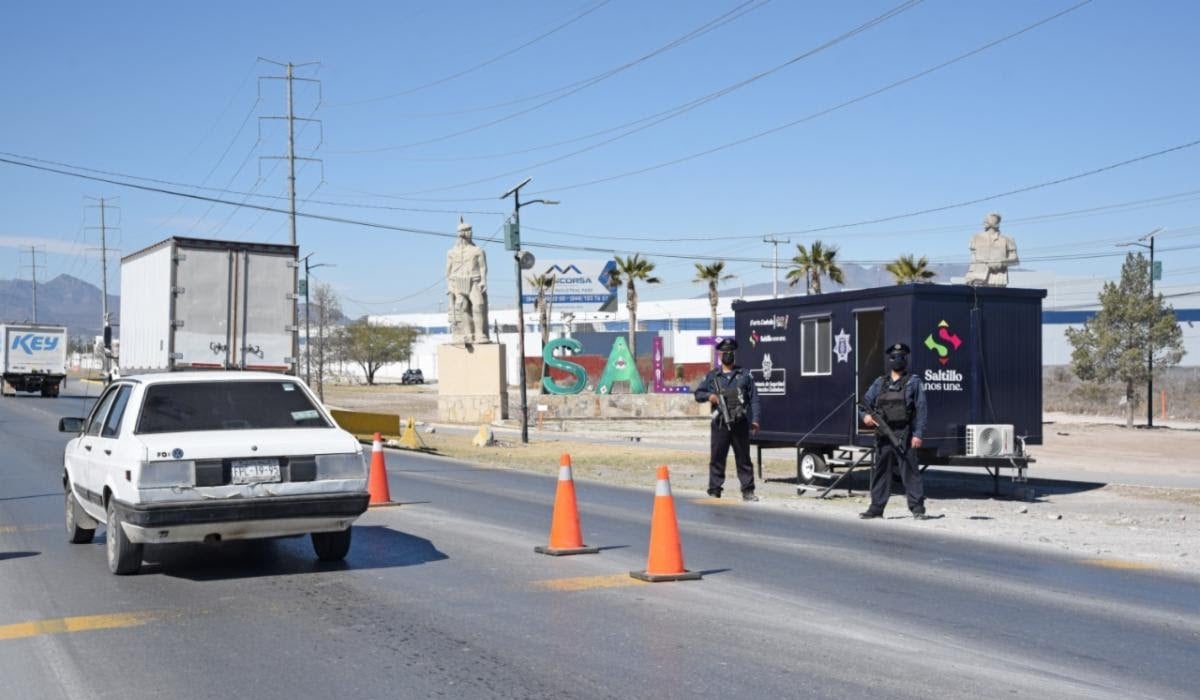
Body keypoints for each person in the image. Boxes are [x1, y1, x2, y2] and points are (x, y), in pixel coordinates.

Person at [859, 342, 929, 520]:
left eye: (901, 357)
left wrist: (918, 434)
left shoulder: (914, 382)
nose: (898, 360)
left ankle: (917, 508)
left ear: (905, 359)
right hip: (883, 435)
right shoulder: (880, 383)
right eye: (895, 357)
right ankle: (876, 508)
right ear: (890, 360)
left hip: (904, 434)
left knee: (910, 472)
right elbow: (863, 403)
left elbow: (921, 409)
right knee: (881, 472)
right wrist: (865, 417)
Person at [694, 338, 761, 501]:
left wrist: (756, 420)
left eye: (730, 352)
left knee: (744, 458)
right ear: (719, 355)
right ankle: (715, 489)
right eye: (724, 353)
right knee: (717, 457)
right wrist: (710, 396)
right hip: (720, 424)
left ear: (734, 354)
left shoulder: (744, 375)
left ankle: (748, 491)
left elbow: (754, 399)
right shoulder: (712, 376)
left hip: (740, 423)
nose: (727, 355)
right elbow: (698, 394)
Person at [445, 217, 490, 344]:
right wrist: (450, 286)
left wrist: (483, 281)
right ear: (461, 233)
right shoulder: (451, 252)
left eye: (470, 230)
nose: (470, 232)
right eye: (467, 230)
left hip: (474, 281)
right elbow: (448, 271)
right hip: (457, 282)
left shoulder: (478, 250)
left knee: (478, 305)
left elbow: (483, 267)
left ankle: (480, 333)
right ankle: (468, 334)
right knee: (463, 307)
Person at [964, 212, 1019, 287]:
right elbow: (973, 259)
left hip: (997, 277)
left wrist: (1000, 263)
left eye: (987, 220)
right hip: (976, 277)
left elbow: (1015, 260)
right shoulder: (976, 238)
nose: (984, 222)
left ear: (995, 223)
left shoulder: (1007, 239)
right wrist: (970, 276)